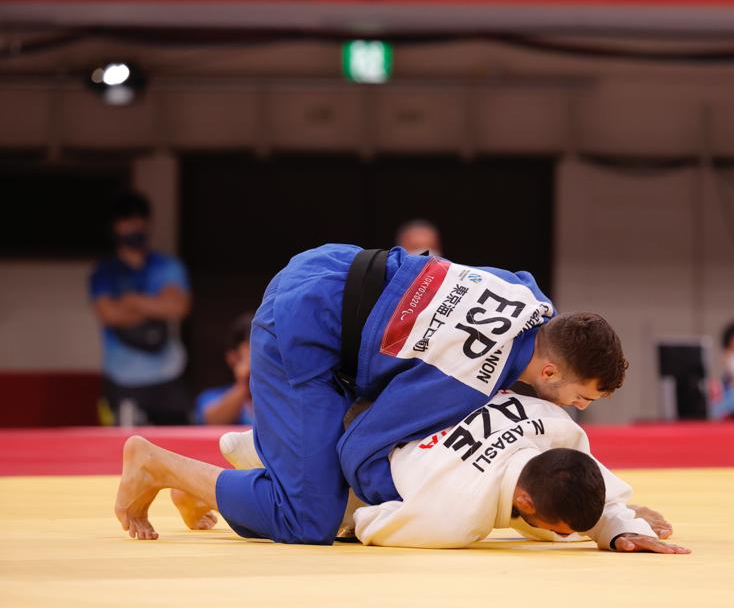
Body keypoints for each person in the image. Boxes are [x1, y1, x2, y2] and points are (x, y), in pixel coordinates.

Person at [116, 243, 628, 546]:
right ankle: (157, 465)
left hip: (335, 266)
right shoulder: (466, 374)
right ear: (548, 368)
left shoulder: (530, 298)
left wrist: (609, 516)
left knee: (341, 442)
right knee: (311, 517)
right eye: (579, 397)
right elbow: (359, 448)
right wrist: (414, 489)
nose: (574, 409)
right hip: (302, 328)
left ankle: (219, 485)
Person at [164, 390, 686, 553]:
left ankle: (239, 464)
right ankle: (177, 471)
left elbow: (583, 478)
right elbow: (369, 526)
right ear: (525, 505)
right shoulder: (454, 515)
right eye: (559, 529)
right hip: (346, 438)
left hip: (375, 402)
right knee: (319, 521)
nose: (561, 537)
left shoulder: (553, 425)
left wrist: (618, 528)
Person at [90, 191, 192, 425]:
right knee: (122, 452)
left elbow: (178, 306)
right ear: (115, 227)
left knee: (178, 450)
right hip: (122, 379)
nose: (134, 227)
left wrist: (130, 300)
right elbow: (109, 314)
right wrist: (156, 304)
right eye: (127, 221)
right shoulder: (104, 273)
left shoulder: (167, 266)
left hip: (168, 375)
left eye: (139, 220)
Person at [194, 313, 254, 426]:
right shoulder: (211, 397)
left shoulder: (286, 392)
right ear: (233, 358)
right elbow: (212, 421)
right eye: (254, 349)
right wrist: (243, 384)